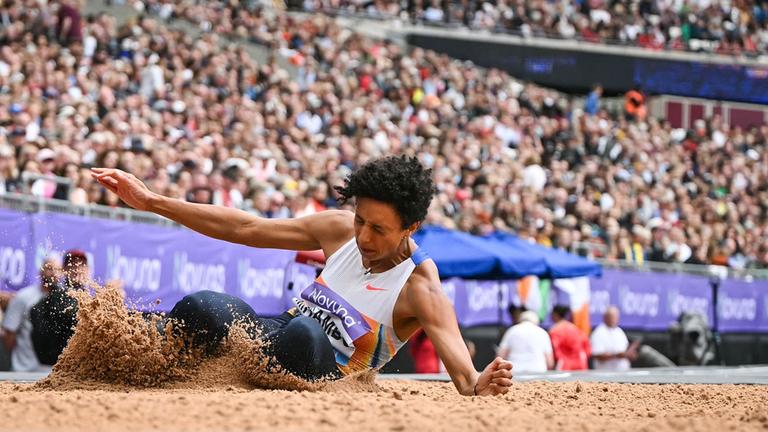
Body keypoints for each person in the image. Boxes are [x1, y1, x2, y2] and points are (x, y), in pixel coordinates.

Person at [91, 155, 513, 396]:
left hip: (324, 369)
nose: (363, 237)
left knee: (306, 333)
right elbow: (246, 227)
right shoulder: (337, 229)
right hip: (277, 334)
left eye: (378, 229)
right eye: (360, 221)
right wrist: (152, 201)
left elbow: (465, 379)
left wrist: (482, 383)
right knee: (205, 305)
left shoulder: (419, 288)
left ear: (410, 228)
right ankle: (126, 360)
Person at [29, 250, 89, 366]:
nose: (77, 269)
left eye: (82, 265)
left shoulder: (91, 298)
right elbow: (35, 313)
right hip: (59, 365)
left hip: (80, 365)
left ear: (88, 270)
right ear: (64, 270)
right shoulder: (58, 295)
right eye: (72, 265)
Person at [1, 258, 60, 372]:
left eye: (57, 269)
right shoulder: (23, 296)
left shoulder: (64, 300)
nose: (53, 273)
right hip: (24, 371)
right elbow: (9, 333)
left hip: (52, 372)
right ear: (40, 271)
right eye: (49, 268)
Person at [590, 306, 638, 371]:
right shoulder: (598, 333)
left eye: (616, 317)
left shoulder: (619, 331)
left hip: (623, 372)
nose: (614, 319)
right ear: (605, 317)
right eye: (611, 317)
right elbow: (597, 355)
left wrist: (630, 355)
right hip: (605, 374)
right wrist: (617, 355)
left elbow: (626, 352)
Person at [548, 305, 590, 371]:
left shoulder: (555, 330)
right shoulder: (575, 328)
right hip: (580, 363)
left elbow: (554, 349)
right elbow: (587, 348)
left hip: (564, 365)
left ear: (555, 315)